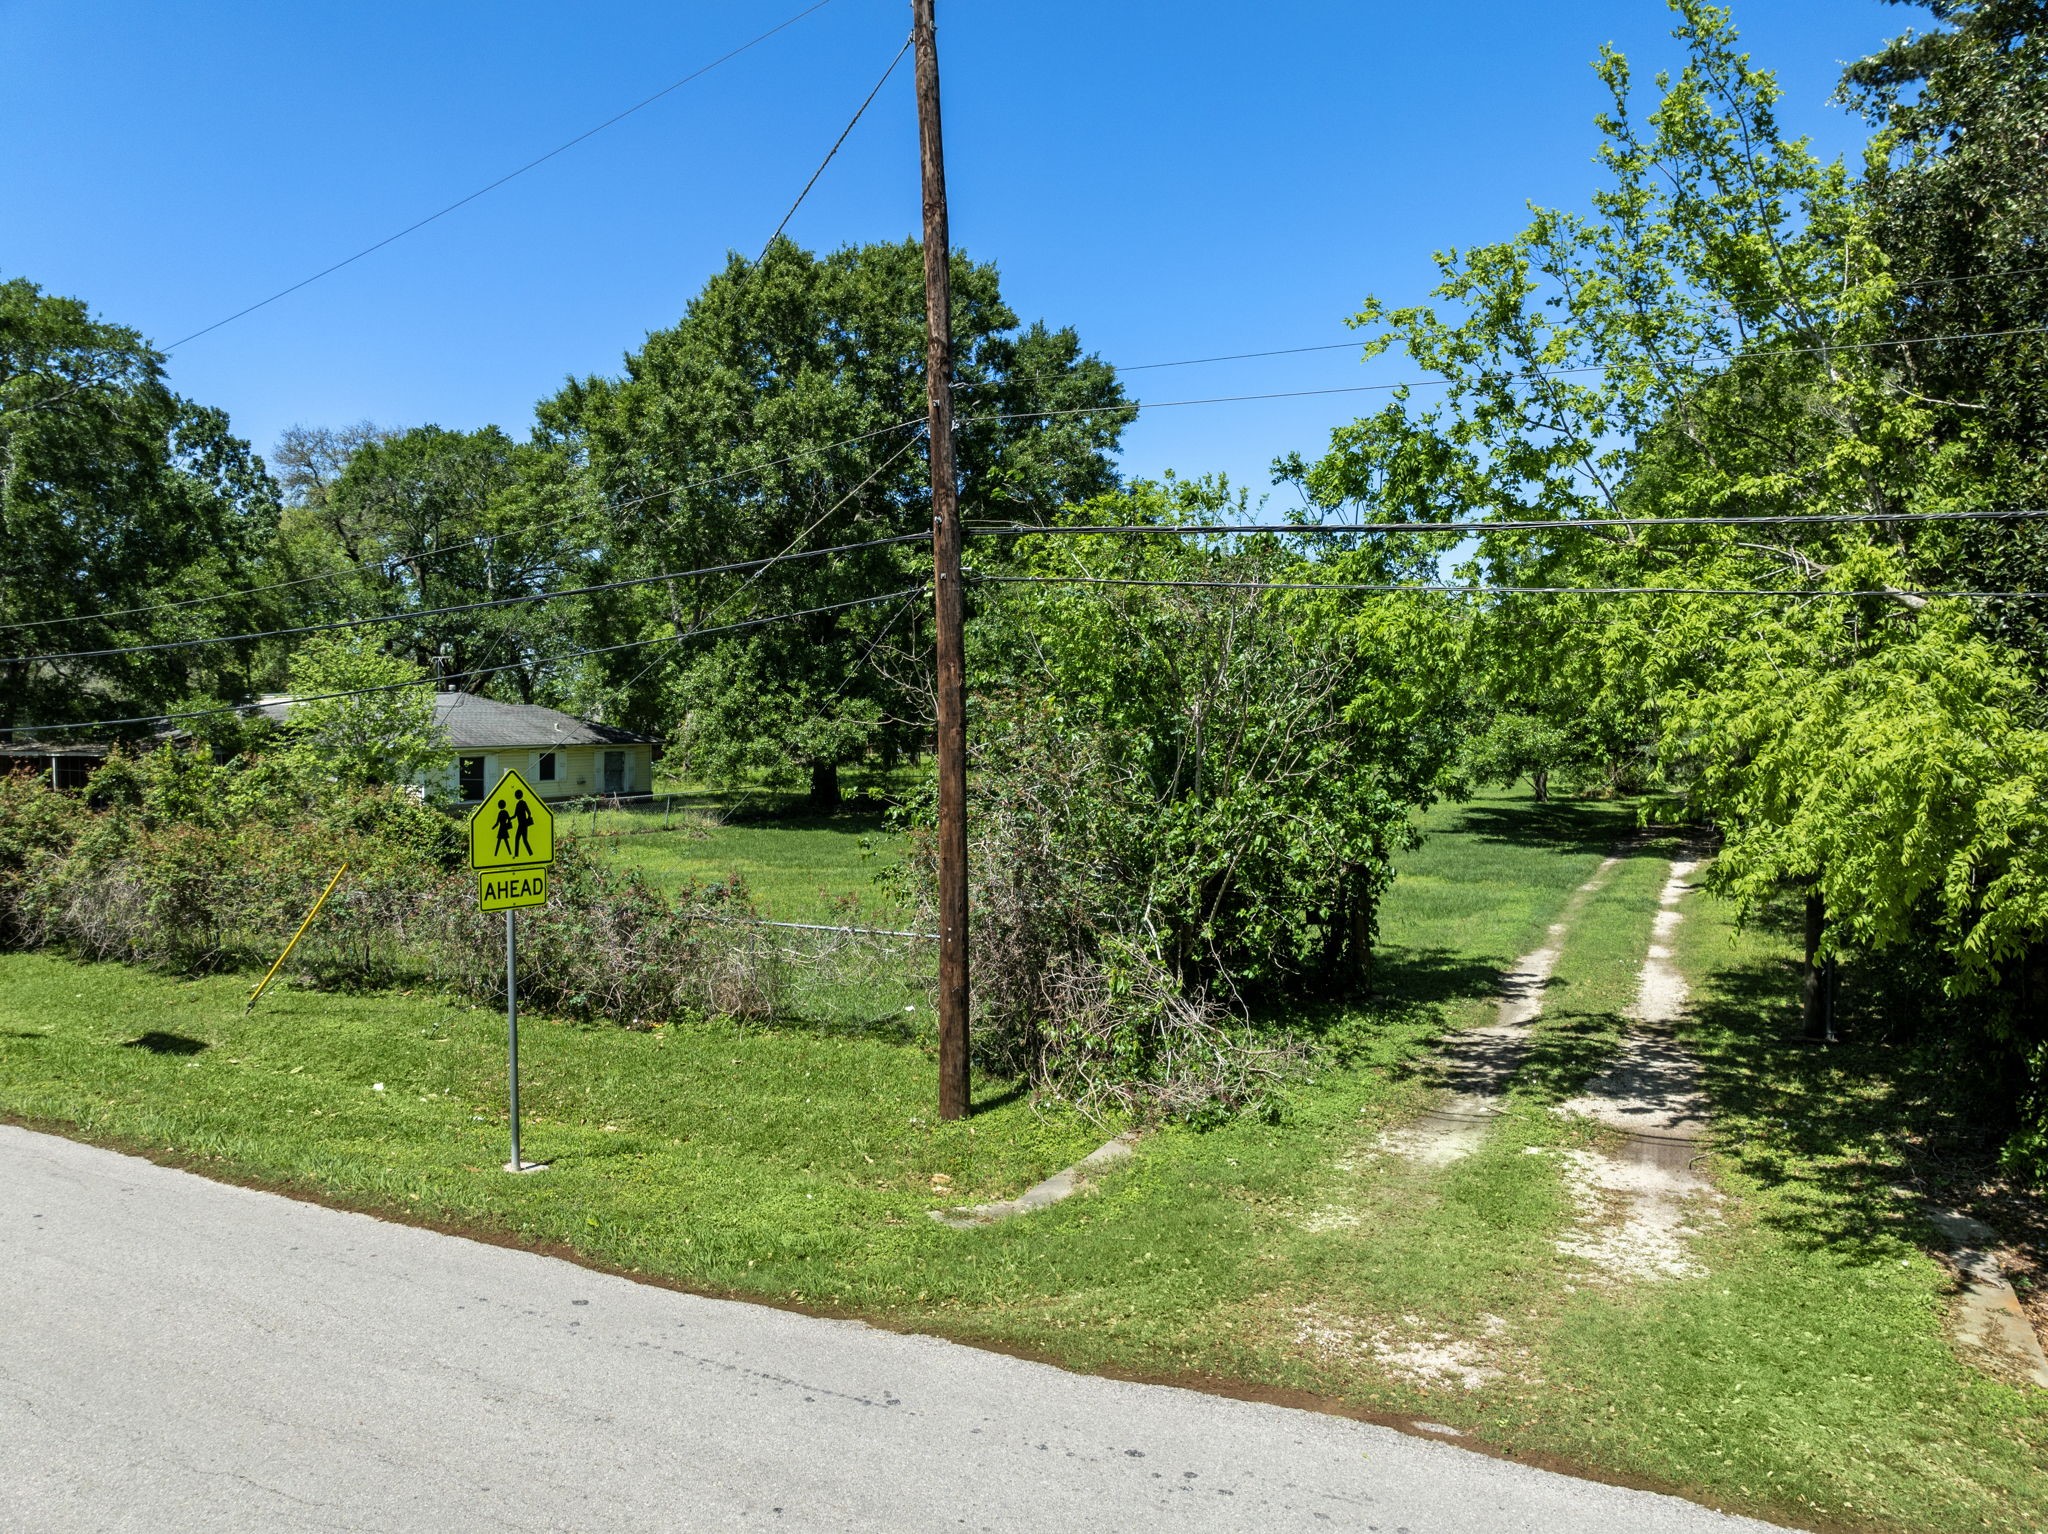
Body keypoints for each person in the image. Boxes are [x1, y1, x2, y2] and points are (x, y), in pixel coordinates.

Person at [512, 789, 535, 859]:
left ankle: (517, 854)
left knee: (518, 839)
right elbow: (529, 812)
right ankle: (530, 853)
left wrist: (510, 818)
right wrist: (528, 818)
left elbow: (515, 815)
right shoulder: (522, 803)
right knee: (524, 839)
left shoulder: (519, 804)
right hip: (523, 824)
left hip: (522, 824)